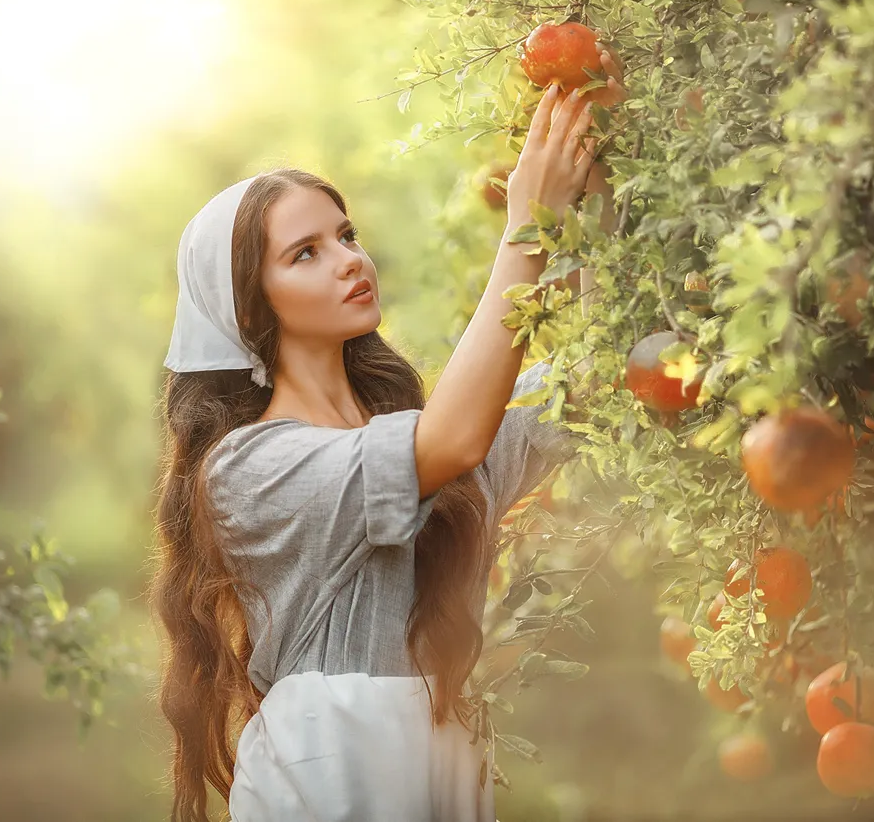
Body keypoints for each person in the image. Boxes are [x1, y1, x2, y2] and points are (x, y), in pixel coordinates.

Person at [151, 50, 622, 822]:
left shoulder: (416, 447)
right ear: (249, 306)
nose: (348, 260)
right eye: (306, 253)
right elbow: (455, 439)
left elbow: (597, 377)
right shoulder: (248, 468)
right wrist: (529, 227)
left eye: (345, 235)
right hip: (330, 778)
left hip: (437, 767)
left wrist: (594, 179)